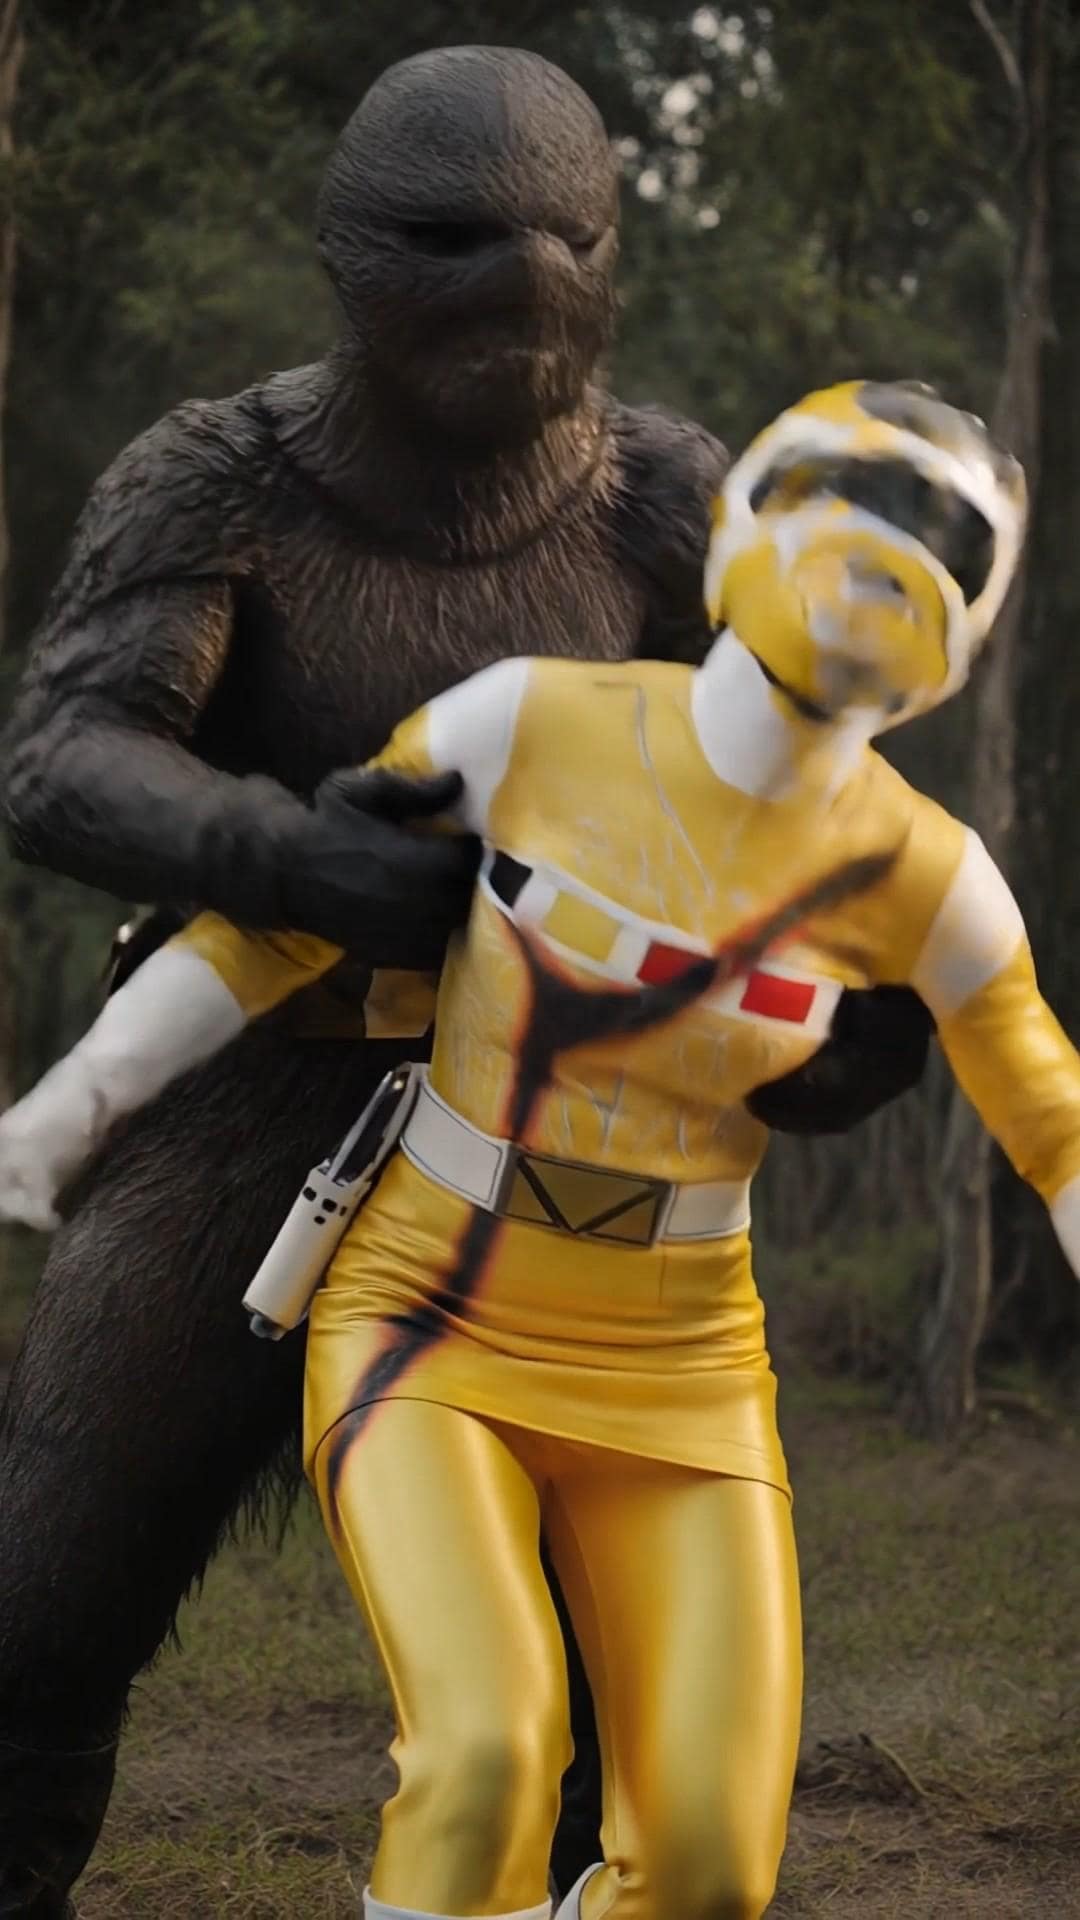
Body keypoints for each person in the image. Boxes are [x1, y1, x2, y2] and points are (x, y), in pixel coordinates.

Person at [0, 47, 935, 1919]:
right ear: (347, 260)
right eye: (452, 246)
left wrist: (838, 1024)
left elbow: (807, 805)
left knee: (612, 1686)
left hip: (569, 1139)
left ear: (612, 258)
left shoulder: (672, 501)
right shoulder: (222, 477)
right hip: (246, 1110)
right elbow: (67, 755)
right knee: (37, 1616)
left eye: (562, 245)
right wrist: (288, 854)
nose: (519, 284)